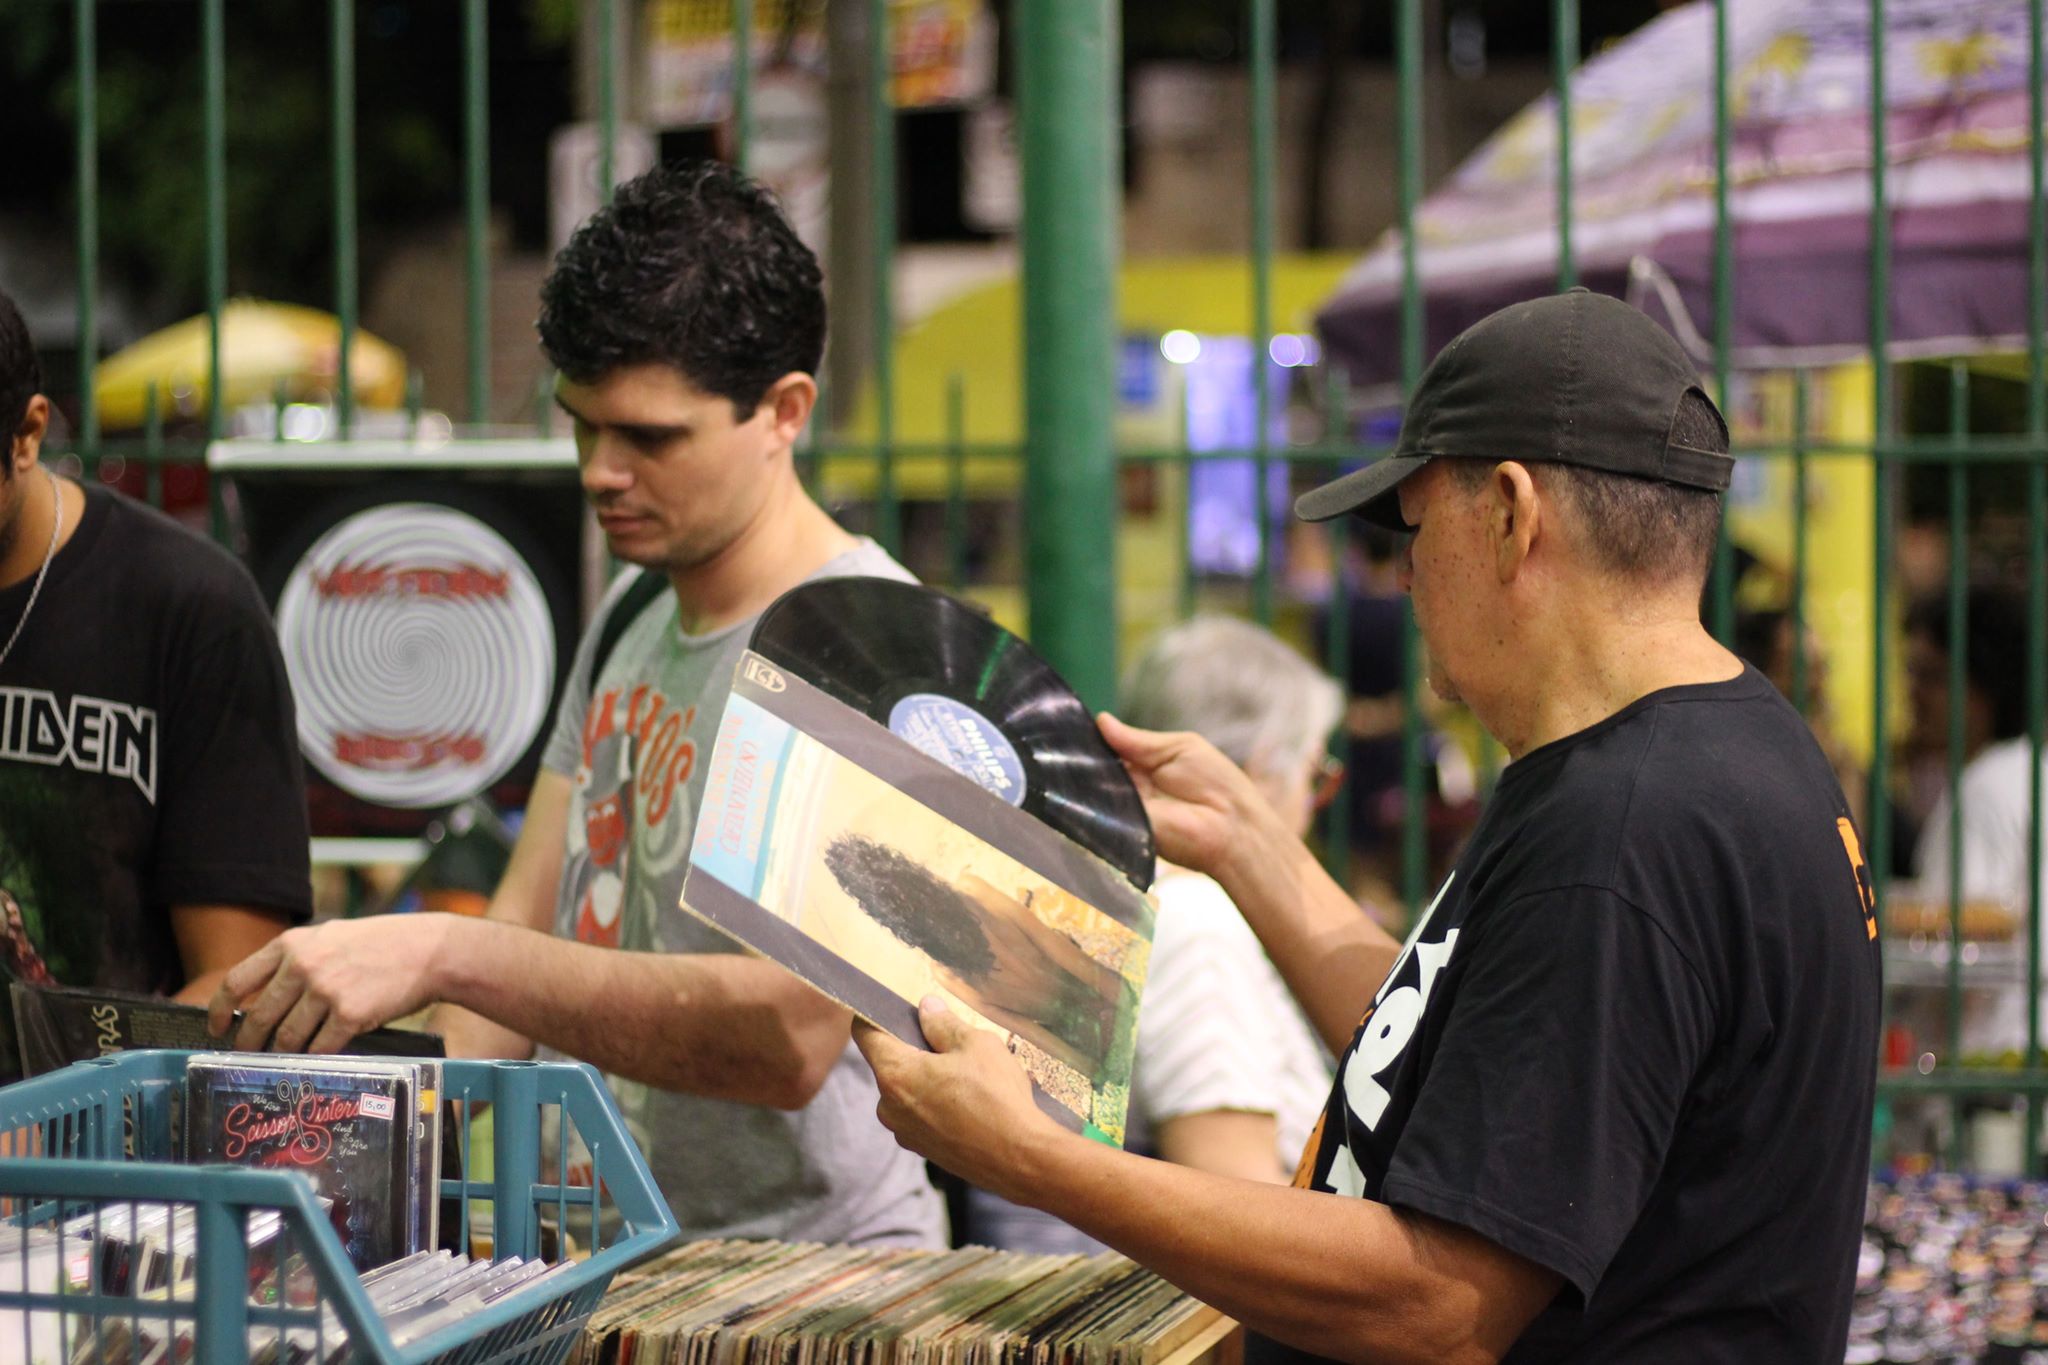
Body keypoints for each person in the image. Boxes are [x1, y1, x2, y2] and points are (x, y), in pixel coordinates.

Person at [856, 289, 1881, 1361]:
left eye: (1413, 525)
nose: (1403, 575)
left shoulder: (1623, 827)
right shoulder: (1720, 748)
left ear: (1509, 515)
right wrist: (1253, 847)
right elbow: (1480, 1060)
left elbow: (1436, 1303)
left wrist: (1028, 1154)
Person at [207, 160, 946, 1248]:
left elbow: (785, 1039)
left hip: (814, 1279)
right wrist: (330, 1156)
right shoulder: (630, 617)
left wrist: (437, 954)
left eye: (650, 437)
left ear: (785, 409)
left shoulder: (864, 644)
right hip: (603, 1258)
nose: (600, 472)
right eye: (581, 426)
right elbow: (524, 928)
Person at [0, 285, 310, 1002]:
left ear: (28, 432)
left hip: (98, 1104)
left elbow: (236, 988)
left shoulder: (190, 610)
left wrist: (64, 1114)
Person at [1903, 586, 2048, 1056]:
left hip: (1990, 1070)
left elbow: (1978, 922)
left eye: (1930, 676)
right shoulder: (2027, 771)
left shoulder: (1987, 789)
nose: (1912, 692)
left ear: (1982, 686)